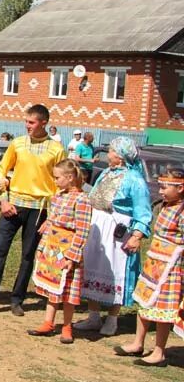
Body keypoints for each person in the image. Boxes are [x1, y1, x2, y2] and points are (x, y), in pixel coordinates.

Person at [0, 104, 66, 316]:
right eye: (26, 122)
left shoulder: (56, 150)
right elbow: (1, 171)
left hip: (40, 208)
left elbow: (62, 184)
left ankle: (17, 299)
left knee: (27, 255)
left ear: (43, 123)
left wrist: (53, 215)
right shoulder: (18, 143)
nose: (27, 126)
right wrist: (3, 200)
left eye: (31, 122)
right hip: (13, 204)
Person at [75, 137, 152, 336]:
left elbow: (142, 210)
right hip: (98, 226)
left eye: (110, 151)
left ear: (120, 155)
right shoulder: (106, 173)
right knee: (92, 266)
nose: (107, 154)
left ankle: (112, 318)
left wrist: (136, 235)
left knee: (115, 270)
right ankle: (93, 316)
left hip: (118, 229)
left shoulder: (134, 179)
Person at [115, 168, 184, 366]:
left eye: (165, 187)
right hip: (154, 264)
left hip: (170, 269)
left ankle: (159, 351)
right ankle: (138, 343)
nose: (161, 191)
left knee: (163, 310)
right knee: (145, 304)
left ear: (180, 188)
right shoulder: (163, 206)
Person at [28, 160, 92, 344]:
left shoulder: (82, 200)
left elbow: (82, 230)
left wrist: (72, 256)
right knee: (52, 288)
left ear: (70, 177)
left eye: (57, 178)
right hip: (53, 247)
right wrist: (41, 248)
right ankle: (48, 322)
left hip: (67, 250)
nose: (55, 181)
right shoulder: (58, 197)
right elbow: (51, 223)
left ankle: (66, 326)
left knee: (68, 291)